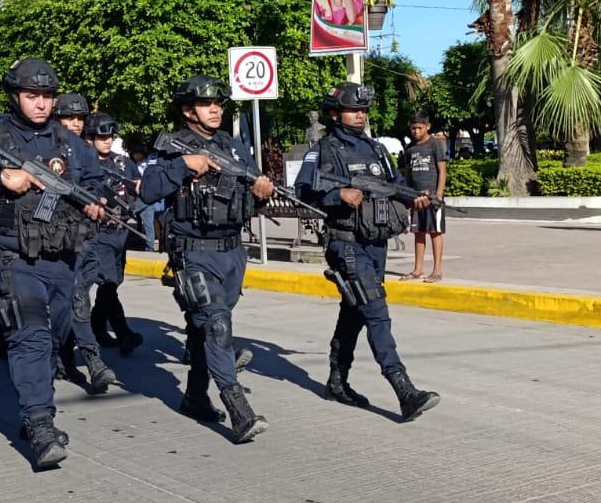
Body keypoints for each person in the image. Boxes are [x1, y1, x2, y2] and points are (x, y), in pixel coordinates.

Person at [0, 58, 111, 470]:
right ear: (16, 96)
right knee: (31, 338)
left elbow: (94, 183)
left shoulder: (71, 142)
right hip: (12, 256)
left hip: (63, 259)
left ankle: (32, 405)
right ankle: (41, 425)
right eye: (31, 96)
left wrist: (96, 203)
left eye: (46, 96)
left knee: (57, 338)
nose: (40, 104)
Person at [139, 74, 275, 443]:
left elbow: (250, 197)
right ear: (187, 110)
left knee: (204, 329)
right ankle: (238, 410)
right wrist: (185, 165)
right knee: (216, 325)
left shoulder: (233, 148)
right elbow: (148, 189)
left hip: (231, 253)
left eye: (218, 103)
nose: (214, 109)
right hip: (193, 251)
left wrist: (262, 192)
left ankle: (195, 397)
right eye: (205, 103)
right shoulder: (173, 148)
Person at [296, 84, 440, 421]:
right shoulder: (324, 151)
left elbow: (391, 187)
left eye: (363, 110)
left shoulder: (376, 149)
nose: (360, 115)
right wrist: (337, 195)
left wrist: (414, 198)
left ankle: (337, 380)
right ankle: (404, 389)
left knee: (355, 313)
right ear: (335, 114)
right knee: (376, 312)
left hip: (375, 244)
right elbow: (303, 192)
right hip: (346, 244)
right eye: (353, 110)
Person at [51, 92, 116, 393]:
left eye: (79, 118)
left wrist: (97, 197)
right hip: (53, 239)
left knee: (75, 301)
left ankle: (62, 354)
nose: (75, 123)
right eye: (68, 118)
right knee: (75, 302)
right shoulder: (46, 146)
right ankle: (93, 363)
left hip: (84, 236)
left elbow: (95, 181)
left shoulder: (84, 151)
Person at [82, 112, 144, 354]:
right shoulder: (85, 164)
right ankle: (124, 333)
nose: (107, 140)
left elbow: (139, 190)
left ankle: (97, 328)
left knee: (112, 284)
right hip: (98, 234)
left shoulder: (123, 163)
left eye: (110, 136)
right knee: (107, 283)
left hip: (120, 233)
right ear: (89, 138)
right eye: (101, 136)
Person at [400, 112, 448, 281]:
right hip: (415, 198)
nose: (416, 131)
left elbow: (442, 171)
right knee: (418, 232)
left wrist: (438, 195)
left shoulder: (435, 145)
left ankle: (437, 270)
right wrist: (407, 197)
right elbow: (407, 174)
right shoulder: (410, 148)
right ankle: (417, 269)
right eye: (413, 128)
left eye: (419, 128)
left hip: (433, 198)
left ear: (427, 127)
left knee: (435, 232)